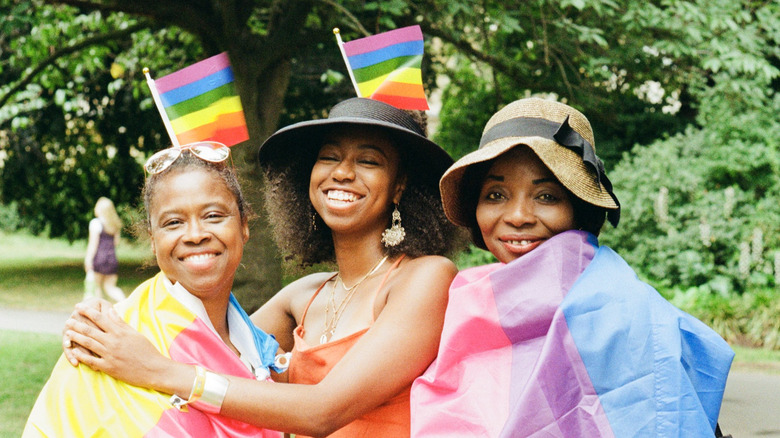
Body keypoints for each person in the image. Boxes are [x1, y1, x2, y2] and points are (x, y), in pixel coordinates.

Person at [62, 97, 463, 437]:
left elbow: (322, 411)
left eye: (369, 161)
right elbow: (207, 349)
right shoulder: (302, 297)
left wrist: (159, 371)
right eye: (329, 157)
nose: (342, 172)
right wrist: (98, 330)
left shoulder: (425, 277)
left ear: (400, 185)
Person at [410, 98, 734, 437]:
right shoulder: (466, 299)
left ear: (579, 210)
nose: (518, 216)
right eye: (496, 195)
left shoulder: (619, 309)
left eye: (546, 196)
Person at [25, 142, 282, 437]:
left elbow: (317, 409)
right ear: (152, 238)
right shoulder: (107, 340)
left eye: (213, 215)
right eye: (173, 222)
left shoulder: (257, 344)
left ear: (244, 226)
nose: (196, 235)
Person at [83, 196, 126, 302]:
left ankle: (99, 311)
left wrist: (88, 260)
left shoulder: (96, 223)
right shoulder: (114, 225)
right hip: (112, 259)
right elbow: (116, 242)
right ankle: (125, 303)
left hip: (99, 258)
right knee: (110, 287)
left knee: (96, 286)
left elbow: (93, 244)